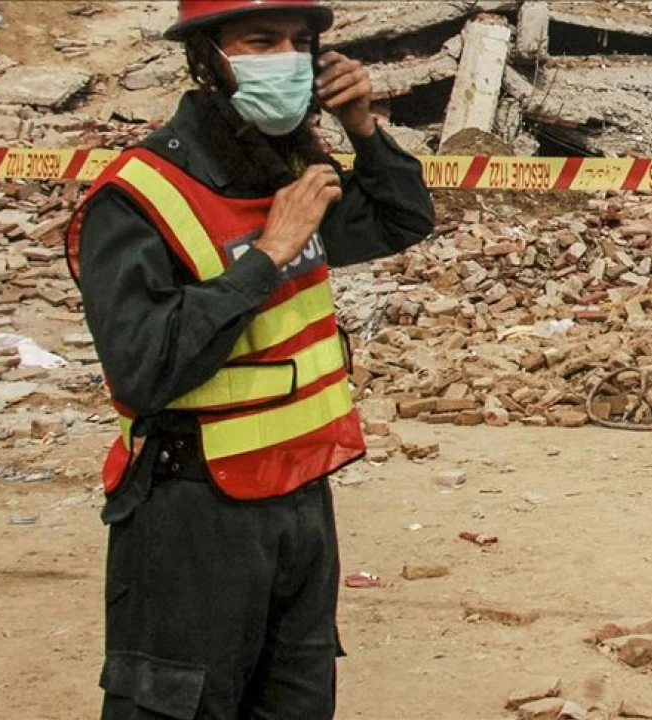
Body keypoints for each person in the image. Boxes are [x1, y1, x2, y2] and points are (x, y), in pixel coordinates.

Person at [64, 0, 435, 717]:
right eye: (262, 41)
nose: (287, 59)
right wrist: (267, 255)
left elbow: (403, 218)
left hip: (299, 501)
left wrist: (362, 127)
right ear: (209, 56)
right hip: (193, 513)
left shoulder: (289, 167)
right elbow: (144, 369)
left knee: (295, 700)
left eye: (301, 44)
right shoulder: (138, 196)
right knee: (182, 704)